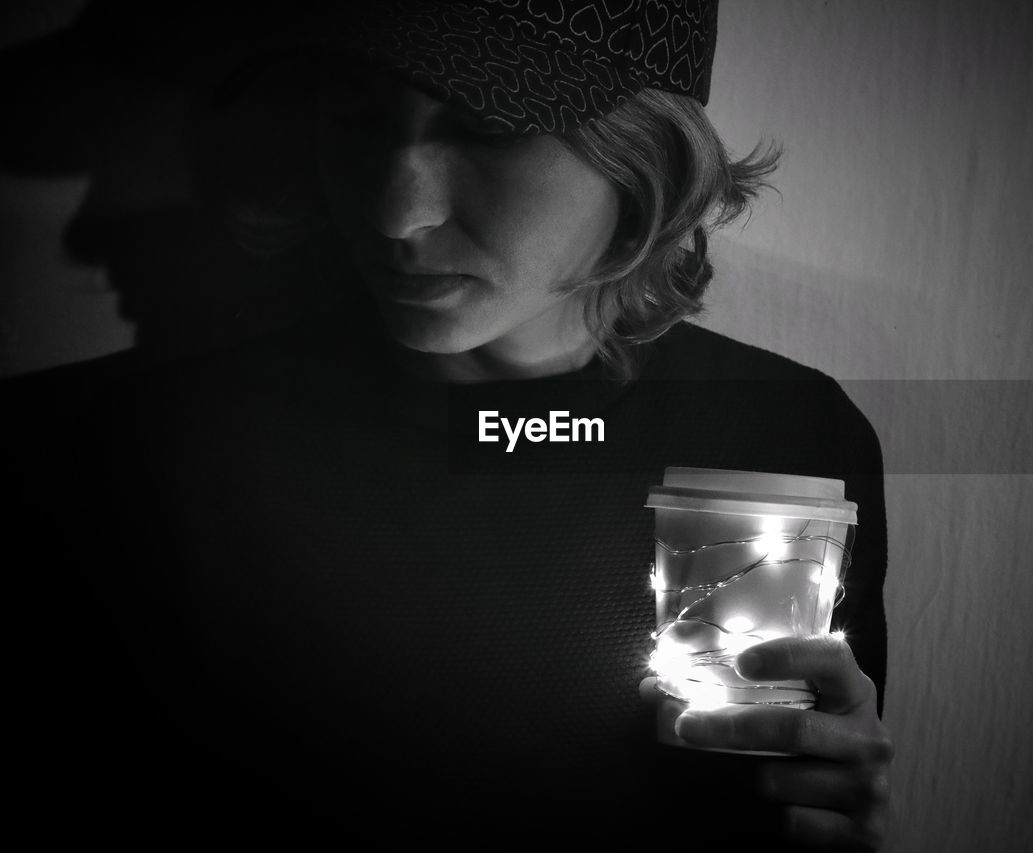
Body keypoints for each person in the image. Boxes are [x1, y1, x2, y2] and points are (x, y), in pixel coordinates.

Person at [8, 1, 892, 849]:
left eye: (484, 125)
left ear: (645, 153)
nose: (399, 214)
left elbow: (793, 795)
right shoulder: (142, 454)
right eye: (356, 115)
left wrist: (820, 802)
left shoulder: (787, 438)